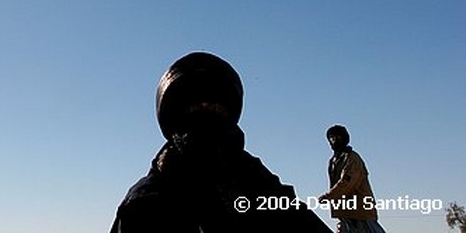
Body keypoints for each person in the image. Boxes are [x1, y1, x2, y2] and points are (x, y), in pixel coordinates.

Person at [109, 52, 331, 233]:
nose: (206, 108)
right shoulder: (146, 203)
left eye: (215, 105)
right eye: (194, 106)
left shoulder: (259, 183)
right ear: (175, 118)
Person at [320, 124, 387, 233]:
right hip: (345, 213)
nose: (334, 141)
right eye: (332, 138)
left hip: (361, 213)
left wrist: (329, 196)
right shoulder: (334, 161)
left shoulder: (352, 158)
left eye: (337, 137)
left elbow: (347, 182)